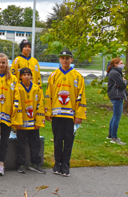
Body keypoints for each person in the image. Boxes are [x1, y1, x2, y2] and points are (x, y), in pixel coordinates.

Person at [45, 49, 86, 177]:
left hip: (70, 116)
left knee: (68, 141)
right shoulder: (53, 75)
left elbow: (81, 96)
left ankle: (66, 165)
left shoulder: (77, 76)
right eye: (62, 58)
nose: (65, 60)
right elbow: (49, 95)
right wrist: (48, 111)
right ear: (59, 60)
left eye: (67, 58)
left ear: (71, 60)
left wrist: (79, 114)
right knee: (57, 141)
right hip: (57, 115)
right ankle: (57, 164)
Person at [15, 68, 46, 174]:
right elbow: (16, 105)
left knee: (35, 143)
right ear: (20, 77)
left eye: (29, 75)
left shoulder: (36, 89)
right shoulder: (17, 88)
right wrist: (17, 121)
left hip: (33, 123)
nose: (27, 76)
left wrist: (39, 121)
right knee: (21, 144)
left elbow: (40, 105)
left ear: (32, 76)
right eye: (24, 75)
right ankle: (21, 164)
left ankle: (35, 163)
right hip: (22, 123)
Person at [107, 58, 127, 145]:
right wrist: (125, 81)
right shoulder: (115, 73)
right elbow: (122, 85)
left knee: (115, 116)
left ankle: (110, 135)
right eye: (121, 63)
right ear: (115, 64)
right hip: (116, 96)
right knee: (117, 117)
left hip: (116, 95)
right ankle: (114, 138)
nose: (122, 64)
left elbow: (121, 85)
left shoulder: (115, 72)